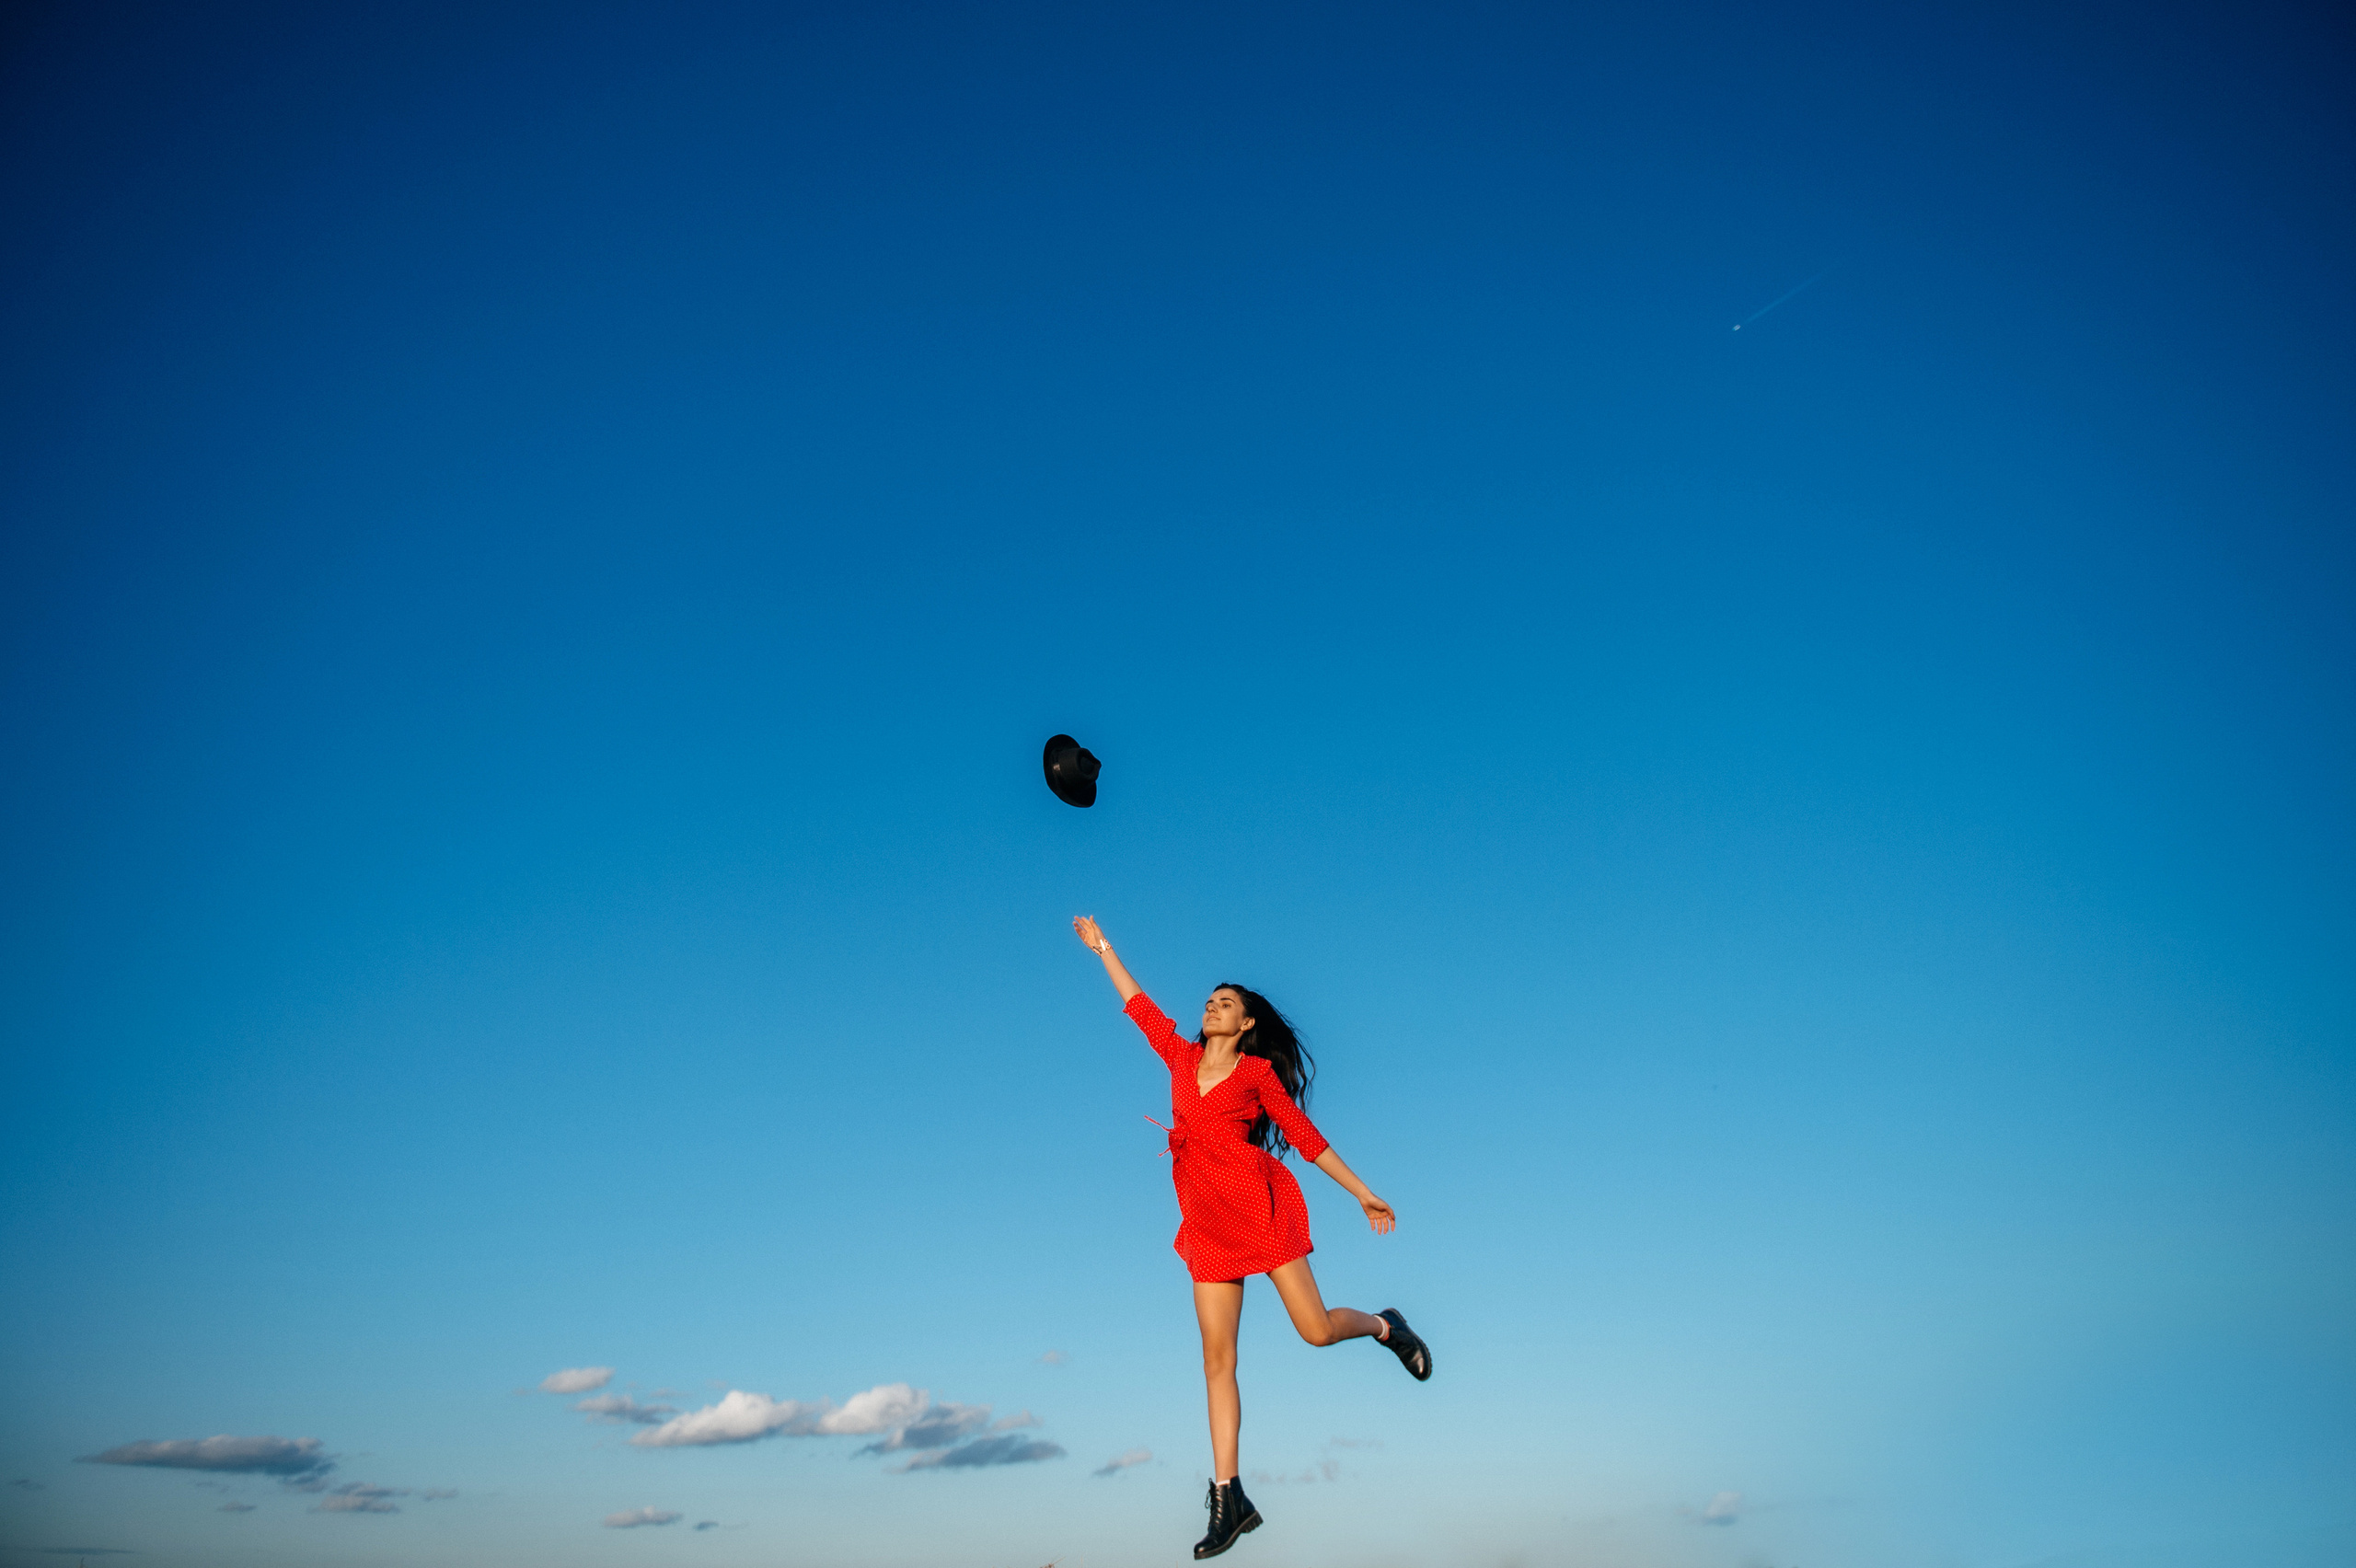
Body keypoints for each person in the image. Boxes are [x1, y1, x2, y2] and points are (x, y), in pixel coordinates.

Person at [1072, 917, 1431, 1561]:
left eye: (1226, 1004)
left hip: (1258, 1209)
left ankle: (1386, 1325)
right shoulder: (1182, 1057)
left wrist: (1361, 1191)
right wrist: (1105, 949)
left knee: (1315, 1330)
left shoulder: (1257, 1076)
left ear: (1245, 1027)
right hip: (1206, 1224)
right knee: (1216, 1361)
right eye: (1210, 1001)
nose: (1212, 1007)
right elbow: (1139, 1007)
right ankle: (1227, 1494)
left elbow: (1303, 1137)